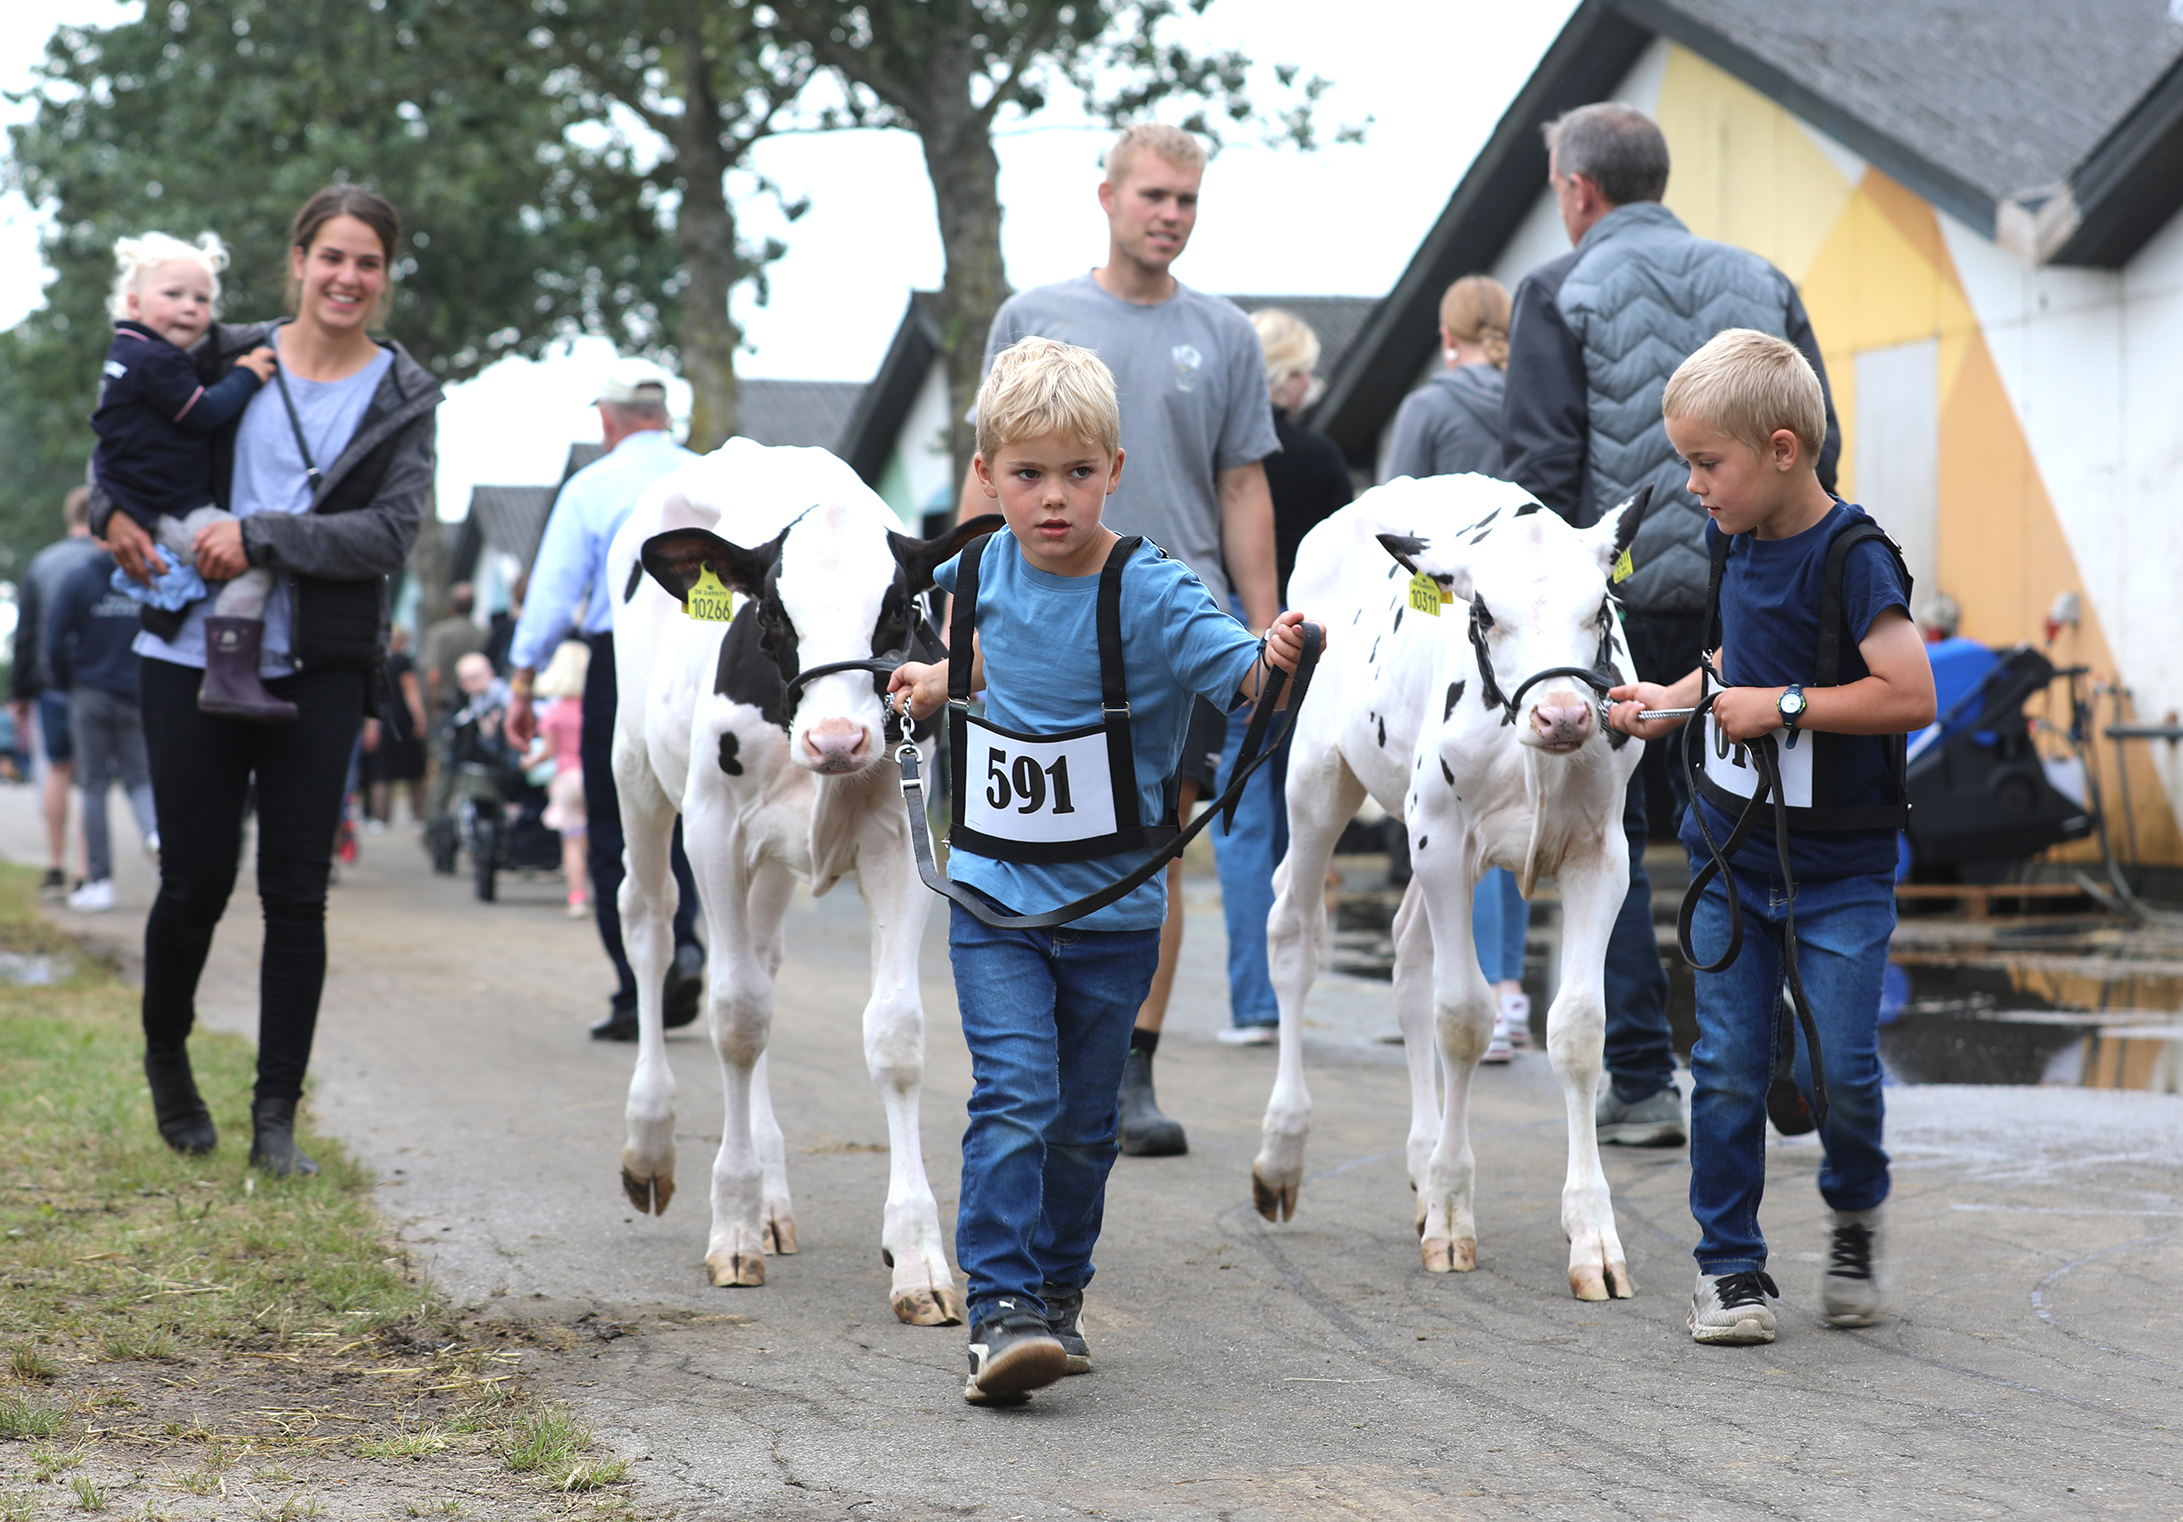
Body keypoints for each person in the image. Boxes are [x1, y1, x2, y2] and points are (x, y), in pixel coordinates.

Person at [891, 337, 1312, 1405]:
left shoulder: (1152, 591)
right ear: (986, 474)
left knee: (1084, 1125)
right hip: (992, 900)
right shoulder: (967, 573)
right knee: (1015, 1096)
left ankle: (1056, 1295)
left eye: (1076, 474)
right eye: (1025, 474)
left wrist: (1271, 662)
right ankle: (997, 1309)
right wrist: (934, 682)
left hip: (1117, 909)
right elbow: (966, 653)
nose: (1050, 498)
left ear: (1113, 472)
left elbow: (1236, 678)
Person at [1501, 102, 1842, 1149]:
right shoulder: (1763, 278)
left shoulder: (1557, 290)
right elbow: (1816, 443)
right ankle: (1771, 1044)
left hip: (1620, 607)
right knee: (1741, 819)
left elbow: (1542, 476)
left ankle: (1642, 1078)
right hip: (1752, 590)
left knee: (1602, 835)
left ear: (1574, 191)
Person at [97, 184, 442, 1176]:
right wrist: (102, 514)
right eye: (329, 256)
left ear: (383, 277)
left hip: (319, 664)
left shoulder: (402, 394)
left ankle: (275, 1118)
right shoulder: (215, 350)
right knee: (195, 880)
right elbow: (124, 427)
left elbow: (390, 533)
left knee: (297, 891)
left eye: (367, 262)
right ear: (297, 262)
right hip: (187, 654)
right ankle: (168, 1058)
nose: (346, 277)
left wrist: (259, 535)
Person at [1608, 329, 1932, 1345]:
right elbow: (1728, 662)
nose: (1695, 487)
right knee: (1729, 1062)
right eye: (1686, 465)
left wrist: (1782, 705)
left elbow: (1907, 692)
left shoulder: (1854, 558)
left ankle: (1851, 1212)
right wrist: (1674, 697)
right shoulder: (1730, 539)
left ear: (1782, 449)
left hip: (1839, 870)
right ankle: (1729, 1268)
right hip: (1729, 853)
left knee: (1840, 1069)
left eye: (1709, 464)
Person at [966, 122, 1282, 1154]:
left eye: (1187, 200)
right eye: (1153, 195)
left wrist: (1259, 619)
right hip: (1039, 620)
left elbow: (1242, 481)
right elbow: (987, 466)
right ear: (1105, 196)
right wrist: (964, 609)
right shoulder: (1034, 314)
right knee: (1032, 820)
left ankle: (1129, 1065)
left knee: (1155, 837)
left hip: (1167, 624)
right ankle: (1031, 1028)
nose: (1170, 215)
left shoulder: (1226, 334)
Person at [503, 362, 705, 1042]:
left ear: (608, 420)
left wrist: (524, 679)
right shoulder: (708, 480)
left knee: (620, 824)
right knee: (698, 810)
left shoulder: (591, 487)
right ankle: (691, 943)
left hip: (623, 661)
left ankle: (635, 987)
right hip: (708, 657)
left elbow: (554, 594)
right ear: (665, 416)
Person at [1386, 275, 1533, 1061]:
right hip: (1526, 636)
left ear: (1448, 338)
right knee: (1512, 806)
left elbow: (1399, 520)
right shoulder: (1531, 400)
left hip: (1449, 621)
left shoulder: (1428, 408)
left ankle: (1460, 986)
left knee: (1449, 807)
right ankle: (1507, 992)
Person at [1201, 308, 1351, 1047]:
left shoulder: (1216, 457)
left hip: (1232, 630)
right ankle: (1293, 990)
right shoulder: (1321, 459)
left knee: (1239, 814)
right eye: (1305, 374)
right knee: (1306, 816)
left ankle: (1253, 1002)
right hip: (1313, 638)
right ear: (1286, 380)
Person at [90, 230, 291, 720]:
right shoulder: (156, 359)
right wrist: (247, 373)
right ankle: (229, 674)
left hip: (139, 498)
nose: (190, 307)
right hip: (167, 506)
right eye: (173, 294)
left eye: (202, 298)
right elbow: (203, 413)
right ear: (134, 302)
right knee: (253, 562)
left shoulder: (124, 353)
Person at [46, 542, 158, 912]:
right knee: (140, 778)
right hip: (137, 689)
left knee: (93, 785)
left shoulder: (78, 579)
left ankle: (99, 881)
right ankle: (153, 833)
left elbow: (54, 638)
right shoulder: (147, 574)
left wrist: (67, 683)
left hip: (90, 691)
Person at [10, 489, 102, 899]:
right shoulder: (106, 559)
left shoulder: (44, 562)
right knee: (92, 779)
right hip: (98, 683)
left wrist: (20, 694)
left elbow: (26, 634)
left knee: (58, 771)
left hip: (52, 687)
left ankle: (53, 865)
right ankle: (87, 869)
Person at [530, 639, 591, 919]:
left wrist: (529, 761)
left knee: (572, 841)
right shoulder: (594, 709)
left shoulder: (554, 713)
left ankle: (577, 896)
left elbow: (549, 752)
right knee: (598, 837)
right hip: (593, 775)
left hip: (566, 777)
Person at [363, 624, 427, 827]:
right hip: (402, 719)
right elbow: (411, 691)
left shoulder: (375, 661)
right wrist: (420, 718)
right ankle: (418, 815)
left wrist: (370, 725)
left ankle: (380, 817)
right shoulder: (402, 661)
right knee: (414, 771)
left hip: (381, 718)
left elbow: (373, 695)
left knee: (382, 772)